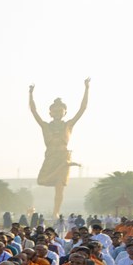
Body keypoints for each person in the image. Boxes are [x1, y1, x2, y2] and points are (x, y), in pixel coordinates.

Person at [28, 78, 90, 219]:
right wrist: (30, 94)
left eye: (60, 110)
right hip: (50, 156)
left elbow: (83, 108)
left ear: (65, 112)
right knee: (41, 180)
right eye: (54, 111)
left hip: (63, 154)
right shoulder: (45, 126)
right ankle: (64, 166)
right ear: (50, 112)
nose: (57, 113)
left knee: (59, 185)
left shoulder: (68, 125)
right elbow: (33, 111)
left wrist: (86, 88)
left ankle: (56, 212)